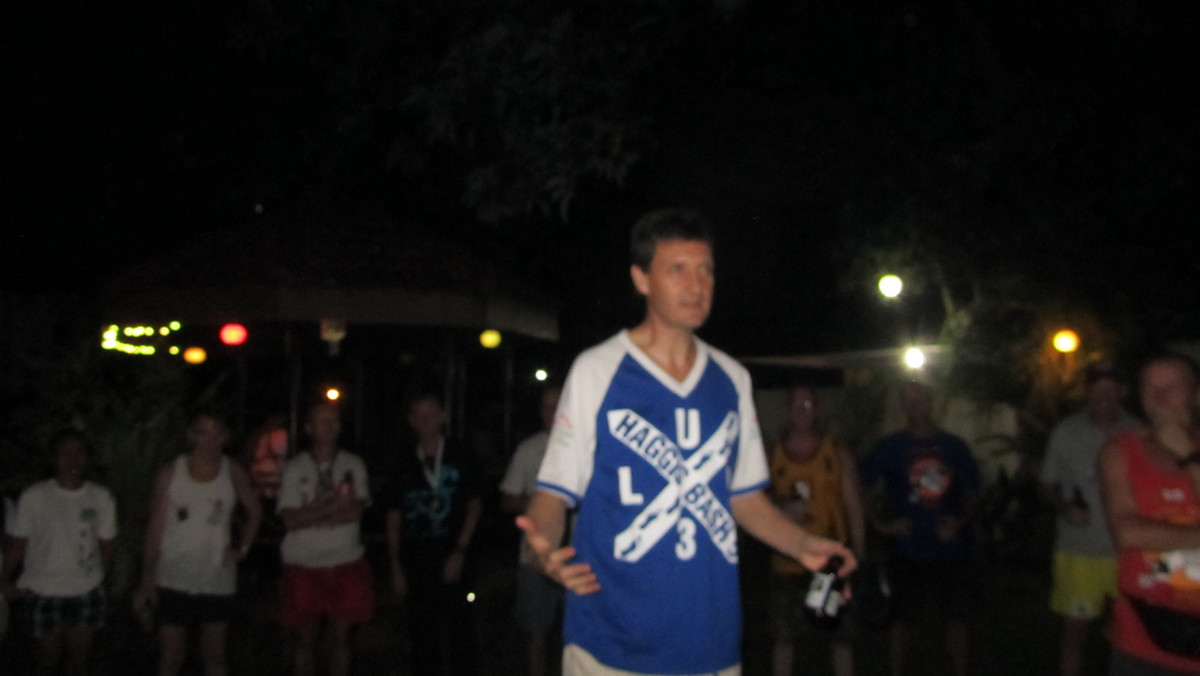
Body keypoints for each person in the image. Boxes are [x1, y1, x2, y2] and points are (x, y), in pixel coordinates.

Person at [517, 208, 855, 676]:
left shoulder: (732, 380)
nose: (697, 285)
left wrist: (803, 545)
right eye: (678, 269)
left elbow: (744, 498)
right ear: (641, 279)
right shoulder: (597, 370)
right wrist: (542, 551)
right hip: (610, 640)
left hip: (710, 640)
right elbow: (554, 493)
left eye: (706, 270)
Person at [860, 379, 981, 676]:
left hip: (950, 549)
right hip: (907, 548)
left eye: (921, 398)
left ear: (932, 401)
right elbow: (860, 484)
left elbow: (973, 490)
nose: (916, 405)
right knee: (901, 619)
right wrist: (881, 525)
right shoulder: (891, 446)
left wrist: (960, 522)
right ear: (903, 406)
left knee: (957, 618)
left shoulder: (954, 446)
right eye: (909, 400)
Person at [133, 410, 263, 676]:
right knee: (171, 657)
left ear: (225, 437)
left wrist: (242, 549)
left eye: (216, 433)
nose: (209, 441)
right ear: (192, 436)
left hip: (216, 577)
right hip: (173, 575)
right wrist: (147, 576)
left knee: (214, 656)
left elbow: (255, 512)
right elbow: (155, 528)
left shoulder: (232, 470)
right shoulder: (171, 472)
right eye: (203, 433)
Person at [1099, 353, 1200, 675]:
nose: (1159, 397)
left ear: (1196, 395)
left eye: (1172, 387)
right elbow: (1127, 532)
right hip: (1144, 636)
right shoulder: (1120, 452)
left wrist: (1188, 455)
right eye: (1150, 388)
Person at [1040, 363, 1140, 676]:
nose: (1103, 396)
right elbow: (1046, 485)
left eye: (1110, 389)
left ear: (1123, 393)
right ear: (1087, 394)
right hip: (1080, 550)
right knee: (1076, 631)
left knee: (1133, 631)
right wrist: (1064, 506)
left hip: (1128, 551)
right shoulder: (1066, 432)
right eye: (1097, 390)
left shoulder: (1139, 432)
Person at [0, 429, 117, 676]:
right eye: (65, 453)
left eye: (78, 453)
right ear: (54, 458)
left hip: (85, 589)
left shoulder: (100, 496)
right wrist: (4, 579)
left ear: (86, 458)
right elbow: (19, 543)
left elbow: (106, 545)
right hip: (43, 589)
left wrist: (97, 578)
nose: (72, 459)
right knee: (47, 661)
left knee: (79, 663)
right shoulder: (34, 496)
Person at [768, 384, 866, 676]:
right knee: (784, 637)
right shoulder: (773, 454)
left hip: (830, 561)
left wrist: (858, 553)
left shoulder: (835, 452)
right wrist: (781, 509)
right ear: (787, 410)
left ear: (817, 410)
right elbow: (758, 502)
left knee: (840, 637)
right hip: (787, 561)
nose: (802, 411)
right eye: (797, 405)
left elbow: (853, 505)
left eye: (808, 405)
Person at [385, 392, 483, 676]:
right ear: (411, 420)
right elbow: (393, 515)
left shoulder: (461, 453)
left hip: (455, 553)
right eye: (419, 415)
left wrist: (460, 550)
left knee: (461, 629)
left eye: (431, 413)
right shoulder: (402, 460)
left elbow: (475, 504)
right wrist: (395, 565)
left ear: (443, 416)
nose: (425, 420)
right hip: (416, 559)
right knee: (421, 632)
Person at [277, 401, 373, 676]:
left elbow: (355, 511)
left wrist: (310, 514)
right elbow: (290, 519)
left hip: (345, 560)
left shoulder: (353, 464)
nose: (329, 426)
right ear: (308, 428)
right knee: (304, 641)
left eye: (333, 420)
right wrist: (333, 508)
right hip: (303, 563)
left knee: (341, 639)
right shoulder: (295, 467)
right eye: (321, 420)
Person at [499, 385, 565, 676]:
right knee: (537, 635)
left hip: (581, 555)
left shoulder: (590, 446)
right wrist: (543, 503)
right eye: (546, 406)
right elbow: (507, 499)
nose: (552, 412)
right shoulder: (528, 449)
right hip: (536, 558)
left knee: (579, 638)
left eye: (557, 405)